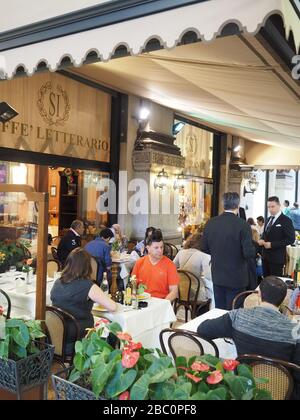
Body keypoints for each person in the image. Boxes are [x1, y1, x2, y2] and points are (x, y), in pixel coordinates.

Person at [197, 276, 300, 400]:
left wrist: (231, 332)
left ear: (259, 294)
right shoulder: (294, 330)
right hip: (283, 392)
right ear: (283, 300)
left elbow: (203, 329)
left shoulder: (238, 317)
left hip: (244, 389)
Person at [50, 248, 117, 354]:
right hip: (78, 334)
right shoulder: (88, 286)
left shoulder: (58, 282)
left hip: (57, 332)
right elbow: (113, 307)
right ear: (87, 266)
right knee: (113, 330)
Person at [201, 192, 255, 310]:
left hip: (218, 274)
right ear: (238, 205)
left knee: (219, 310)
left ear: (223, 204)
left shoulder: (211, 223)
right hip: (237, 276)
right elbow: (248, 253)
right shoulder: (243, 225)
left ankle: (221, 328)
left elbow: (204, 247)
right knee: (234, 311)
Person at [131, 229, 179, 302]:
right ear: (148, 248)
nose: (160, 250)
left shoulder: (170, 265)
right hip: (141, 302)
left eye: (161, 247)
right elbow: (133, 285)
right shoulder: (139, 262)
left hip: (160, 302)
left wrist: (163, 304)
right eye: (156, 248)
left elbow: (174, 292)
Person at [258, 196, 295, 277]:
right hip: (265, 257)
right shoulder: (267, 219)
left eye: (273, 206)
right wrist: (261, 239)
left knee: (275, 283)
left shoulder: (286, 220)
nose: (270, 209)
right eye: (268, 207)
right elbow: (265, 234)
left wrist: (272, 244)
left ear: (279, 206)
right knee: (266, 281)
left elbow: (291, 239)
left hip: (277, 258)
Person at [173, 232, 213, 305]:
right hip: (195, 293)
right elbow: (208, 276)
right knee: (211, 293)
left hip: (180, 291)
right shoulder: (203, 255)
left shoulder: (181, 252)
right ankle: (201, 315)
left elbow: (172, 267)